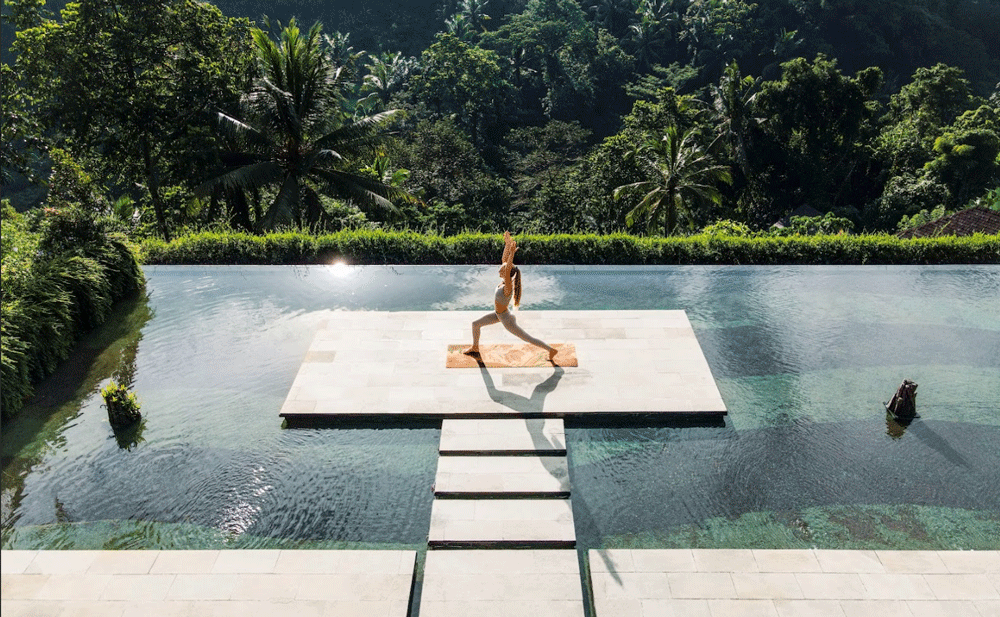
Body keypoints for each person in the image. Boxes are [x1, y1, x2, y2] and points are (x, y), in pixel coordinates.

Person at [464, 232, 558, 361]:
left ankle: (550, 350)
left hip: (506, 319)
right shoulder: (504, 282)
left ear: (507, 273)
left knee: (527, 338)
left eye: (502, 269)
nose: (499, 269)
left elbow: (507, 267)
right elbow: (504, 261)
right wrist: (507, 245)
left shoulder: (508, 286)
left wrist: (512, 254)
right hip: (499, 314)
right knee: (475, 324)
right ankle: (475, 347)